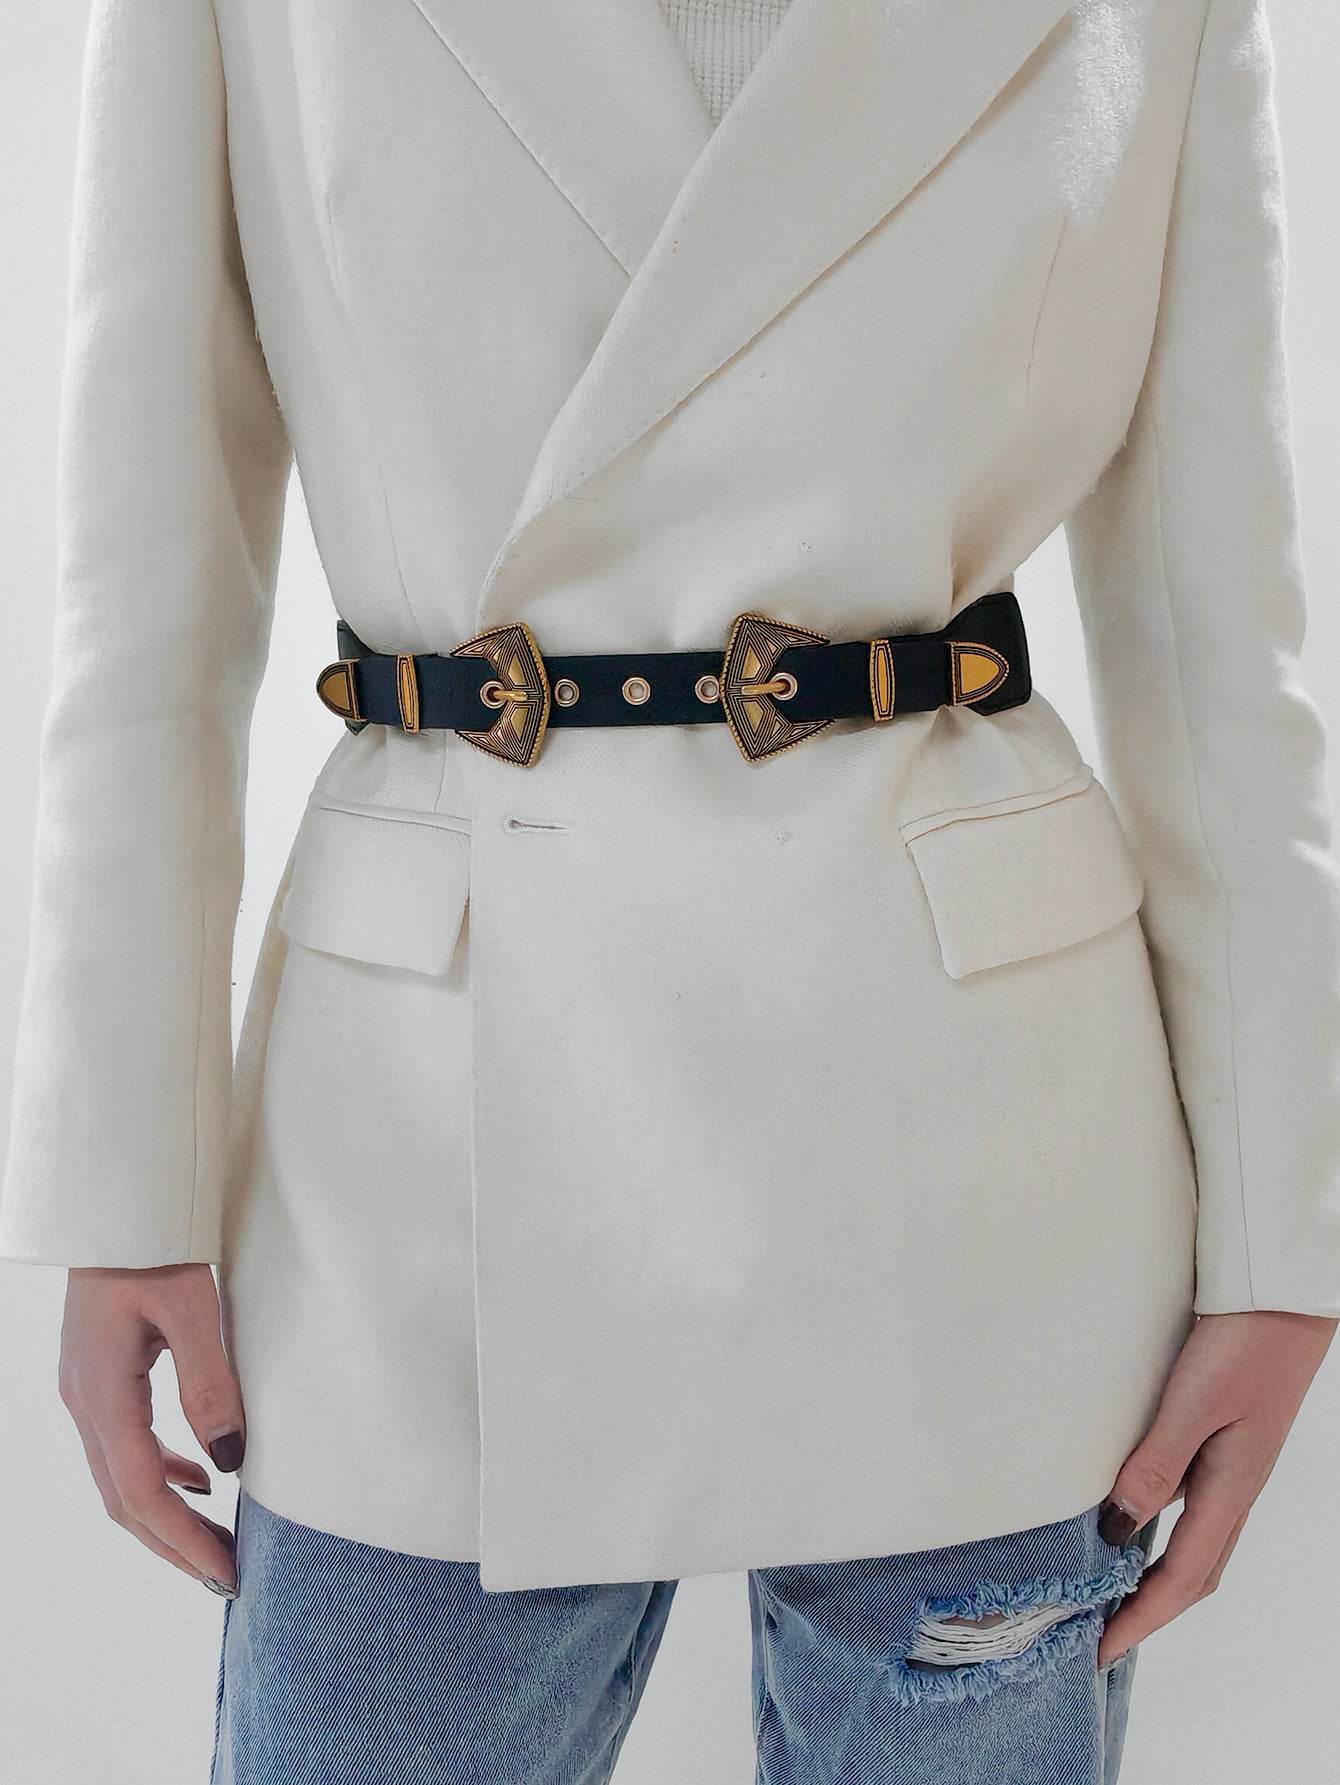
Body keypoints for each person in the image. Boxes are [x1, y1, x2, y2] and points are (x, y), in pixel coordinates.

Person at [5, 0, 1338, 1779]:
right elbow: (144, 615)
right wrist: (124, 1180)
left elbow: (1219, 631)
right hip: (422, 1152)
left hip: (980, 1175)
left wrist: (1287, 1238)